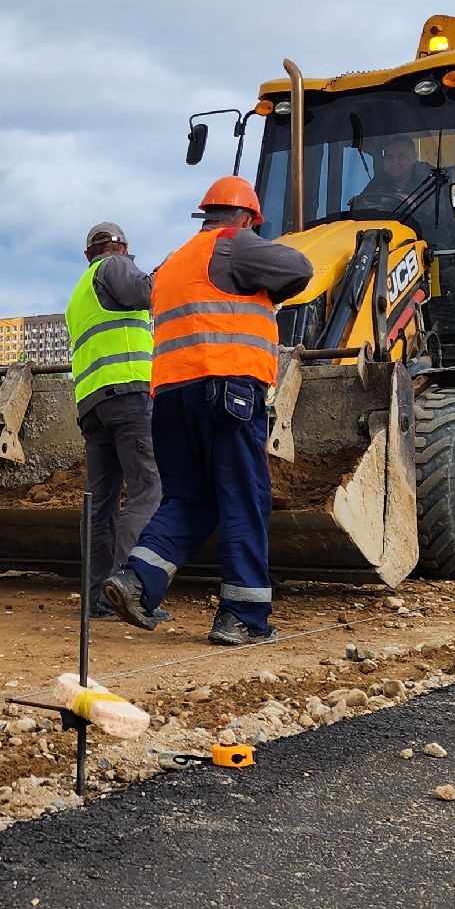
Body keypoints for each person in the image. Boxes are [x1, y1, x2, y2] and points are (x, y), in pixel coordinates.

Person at [101, 176, 312, 645]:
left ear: (206, 213)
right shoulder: (236, 244)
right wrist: (268, 288)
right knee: (244, 498)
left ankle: (137, 580)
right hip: (227, 389)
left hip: (171, 398)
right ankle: (242, 616)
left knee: (190, 500)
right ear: (246, 218)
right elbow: (300, 267)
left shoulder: (174, 262)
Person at [65, 222, 164, 617]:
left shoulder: (79, 294)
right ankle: (131, 589)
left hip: (93, 405)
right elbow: (148, 293)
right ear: (121, 247)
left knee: (100, 504)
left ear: (86, 254)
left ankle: (96, 596)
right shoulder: (116, 267)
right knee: (147, 490)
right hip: (128, 396)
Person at [349, 135, 438, 215]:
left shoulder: (429, 176)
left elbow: (440, 208)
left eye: (401, 156)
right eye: (389, 157)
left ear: (414, 157)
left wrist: (417, 201)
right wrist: (358, 202)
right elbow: (366, 199)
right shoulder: (379, 180)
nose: (394, 162)